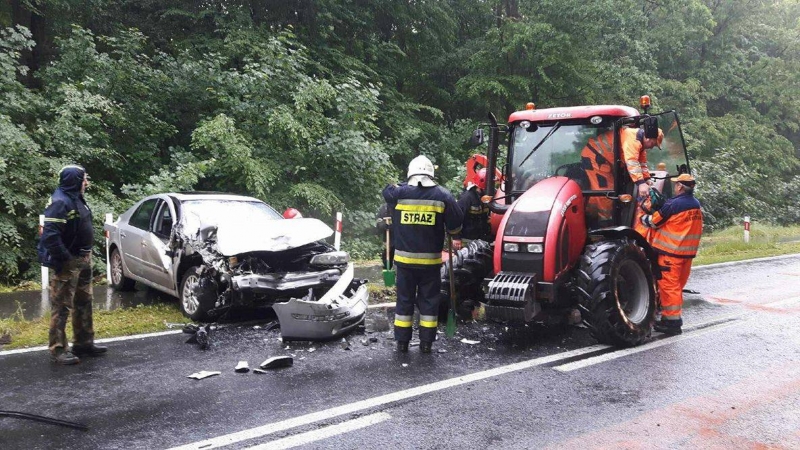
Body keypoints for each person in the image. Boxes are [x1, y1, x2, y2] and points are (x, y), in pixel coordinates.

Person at [383, 155, 463, 353]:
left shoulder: (399, 193)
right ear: (431, 174)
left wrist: (402, 184)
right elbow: (456, 224)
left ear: (411, 173)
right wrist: (453, 234)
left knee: (404, 301)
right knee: (429, 302)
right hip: (430, 263)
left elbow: (387, 190)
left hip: (404, 262)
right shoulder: (443, 196)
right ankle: (426, 343)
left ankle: (402, 342)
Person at [37, 165, 107, 365]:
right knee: (62, 306)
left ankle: (84, 343)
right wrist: (66, 259)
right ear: (74, 180)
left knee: (84, 301)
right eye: (83, 179)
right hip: (69, 262)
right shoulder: (60, 201)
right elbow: (50, 236)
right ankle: (58, 349)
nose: (86, 182)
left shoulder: (76, 197)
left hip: (84, 259)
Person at [640, 173, 703, 335]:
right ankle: (672, 319)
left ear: (680, 186)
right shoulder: (695, 204)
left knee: (669, 287)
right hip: (687, 254)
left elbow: (654, 222)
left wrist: (642, 217)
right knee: (677, 287)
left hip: (670, 255)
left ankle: (672, 322)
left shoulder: (673, 205)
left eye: (676, 184)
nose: (674, 187)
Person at [453, 168, 491, 250]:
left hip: (481, 238)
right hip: (467, 239)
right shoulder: (467, 198)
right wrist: (456, 237)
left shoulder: (485, 196)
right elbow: (457, 218)